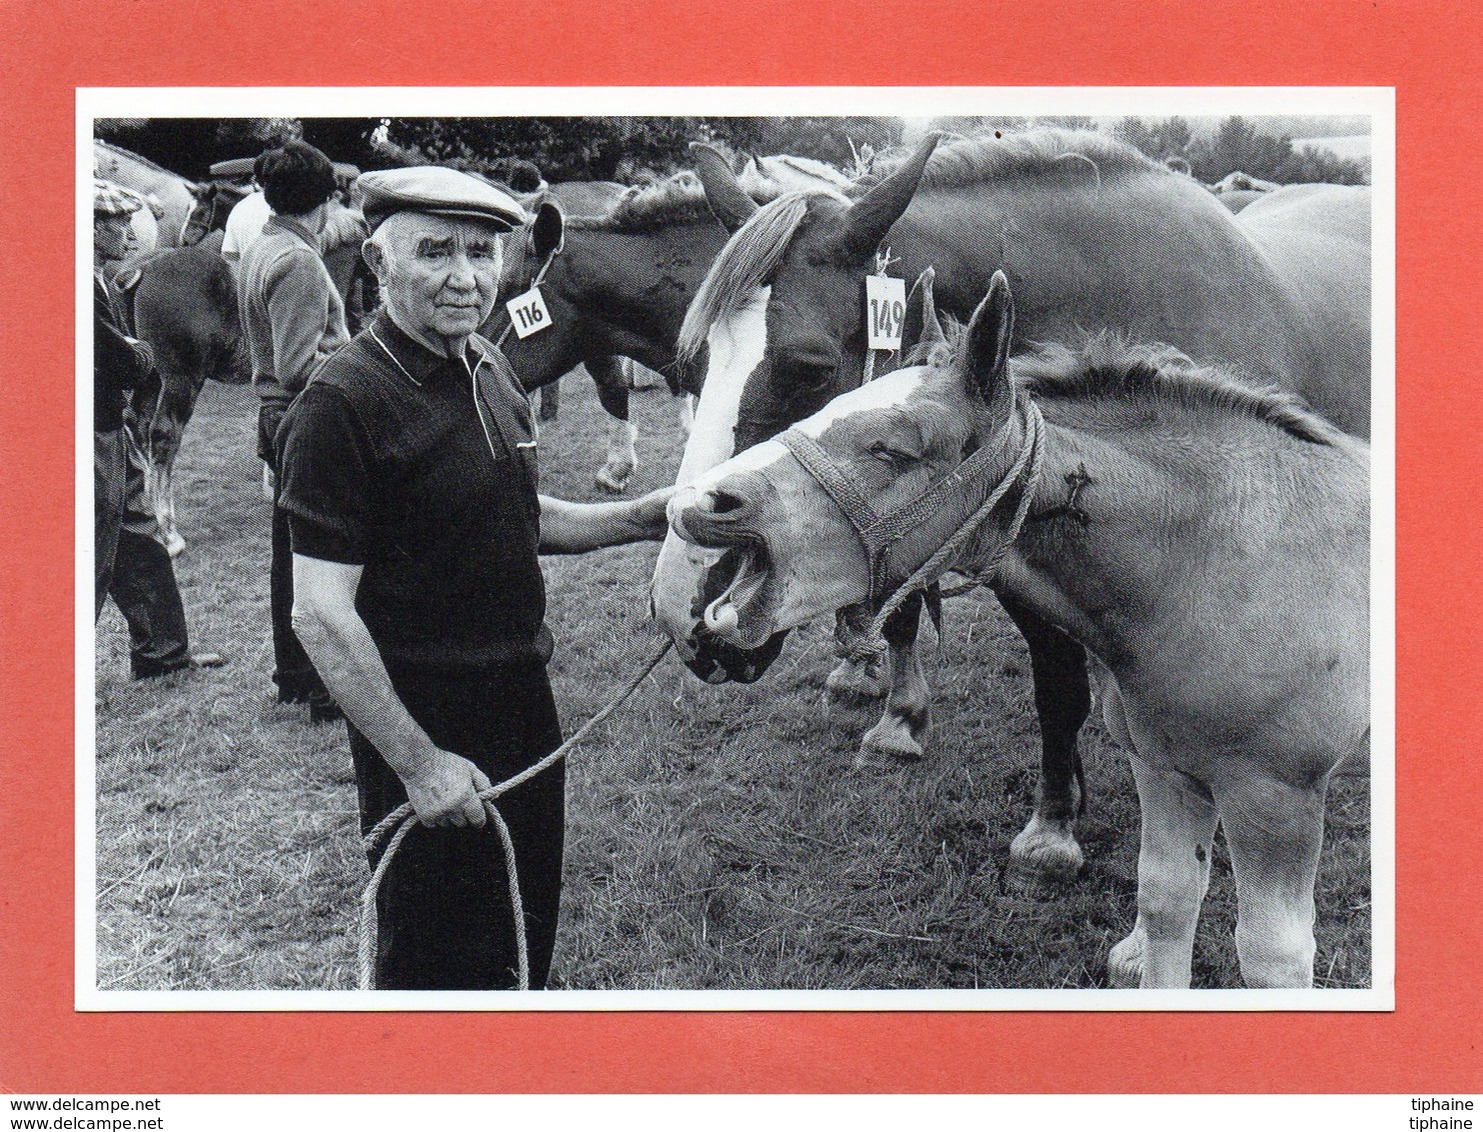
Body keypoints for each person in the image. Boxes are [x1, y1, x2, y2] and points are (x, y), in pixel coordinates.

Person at [277, 167, 672, 990]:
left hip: (525, 702)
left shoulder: (490, 364)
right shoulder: (340, 402)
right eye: (434, 253)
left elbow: (516, 515)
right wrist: (419, 765)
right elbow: (319, 615)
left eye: (482, 252)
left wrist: (643, 516)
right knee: (435, 968)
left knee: (524, 932)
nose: (465, 276)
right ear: (379, 267)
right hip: (422, 714)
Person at [237, 140, 350, 721]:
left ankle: (297, 674)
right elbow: (296, 363)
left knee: (293, 553)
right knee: (326, 554)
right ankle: (328, 687)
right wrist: (363, 363)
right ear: (326, 198)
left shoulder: (265, 245)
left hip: (278, 415)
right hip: (302, 414)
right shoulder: (300, 261)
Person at [93, 180, 224, 676]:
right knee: (90, 551)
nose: (130, 233)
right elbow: (122, 362)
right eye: (118, 223)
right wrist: (143, 353)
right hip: (91, 432)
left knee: (137, 533)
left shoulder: (94, 277)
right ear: (89, 227)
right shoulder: (80, 283)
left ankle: (163, 652)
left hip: (108, 428)